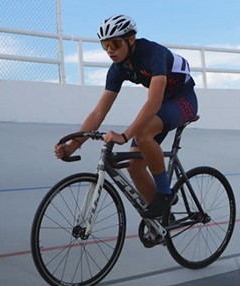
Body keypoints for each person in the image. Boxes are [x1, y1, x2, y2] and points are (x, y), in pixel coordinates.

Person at [54, 14, 198, 218]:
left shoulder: (153, 53)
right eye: (105, 45)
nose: (110, 50)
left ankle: (165, 194)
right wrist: (72, 146)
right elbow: (98, 112)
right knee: (134, 167)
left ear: (131, 39)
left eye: (115, 43)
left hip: (183, 100)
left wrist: (124, 136)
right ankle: (162, 220)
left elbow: (154, 102)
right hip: (164, 103)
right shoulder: (117, 69)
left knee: (142, 134)